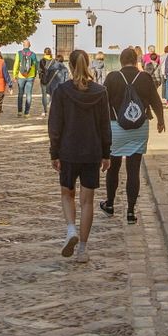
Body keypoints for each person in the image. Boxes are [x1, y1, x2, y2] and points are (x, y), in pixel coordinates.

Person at [48, 50, 111, 264]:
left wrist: (54, 152)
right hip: (92, 151)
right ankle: (83, 249)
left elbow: (55, 125)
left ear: (71, 66)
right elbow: (105, 125)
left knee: (67, 194)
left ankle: (71, 229)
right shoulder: (100, 92)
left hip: (68, 151)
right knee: (87, 201)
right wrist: (106, 153)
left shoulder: (62, 91)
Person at [101, 46, 166, 224]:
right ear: (136, 61)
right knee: (133, 170)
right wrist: (161, 120)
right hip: (140, 127)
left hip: (116, 127)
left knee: (113, 168)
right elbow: (155, 101)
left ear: (121, 61)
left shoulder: (113, 77)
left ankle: (110, 203)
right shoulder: (144, 77)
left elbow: (102, 102)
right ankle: (130, 211)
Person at [15, 40, 40, 116]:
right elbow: (36, 65)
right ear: (30, 45)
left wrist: (15, 75)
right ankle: (27, 113)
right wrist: (35, 74)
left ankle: (19, 112)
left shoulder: (19, 53)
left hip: (21, 76)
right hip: (30, 76)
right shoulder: (33, 54)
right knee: (28, 94)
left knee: (20, 94)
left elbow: (16, 64)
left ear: (23, 45)